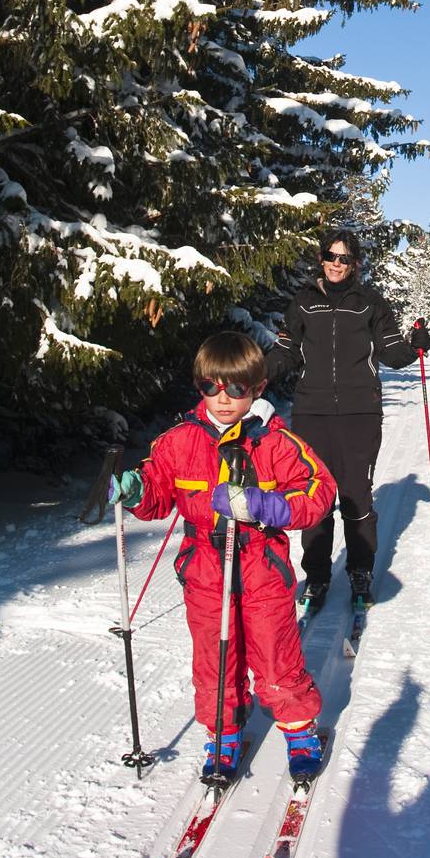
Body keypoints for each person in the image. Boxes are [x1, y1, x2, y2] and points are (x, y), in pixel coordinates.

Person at [110, 330, 336, 782]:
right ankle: (223, 731)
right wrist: (136, 490)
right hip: (204, 567)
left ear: (256, 388)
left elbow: (320, 490)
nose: (223, 398)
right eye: (211, 387)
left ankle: (297, 726)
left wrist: (267, 506)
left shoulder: (274, 441)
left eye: (235, 388)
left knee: (275, 651)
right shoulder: (179, 441)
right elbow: (156, 493)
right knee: (214, 657)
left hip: (260, 563)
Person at [264, 228, 430, 611]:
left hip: (360, 412)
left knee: (356, 495)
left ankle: (360, 571)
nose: (336, 264)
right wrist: (257, 373)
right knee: (315, 496)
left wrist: (413, 347)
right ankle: (318, 576)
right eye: (330, 256)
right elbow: (286, 352)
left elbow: (389, 351)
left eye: (344, 258)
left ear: (354, 264)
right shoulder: (304, 302)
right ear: (321, 259)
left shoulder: (369, 302)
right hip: (311, 413)